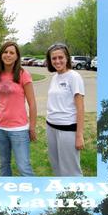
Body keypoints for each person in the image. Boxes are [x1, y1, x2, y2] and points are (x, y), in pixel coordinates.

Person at [0, 41, 37, 176]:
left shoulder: (23, 75)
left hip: (19, 130)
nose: (8, 55)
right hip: (0, 128)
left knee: (24, 167)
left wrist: (32, 127)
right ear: (1, 55)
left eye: (12, 53)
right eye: (5, 52)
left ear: (17, 56)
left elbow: (32, 103)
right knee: (3, 165)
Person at [45, 43, 85, 176]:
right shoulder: (54, 77)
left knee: (71, 172)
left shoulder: (74, 77)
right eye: (53, 58)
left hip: (67, 130)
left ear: (67, 58)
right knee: (56, 167)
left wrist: (79, 136)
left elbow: (80, 108)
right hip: (51, 127)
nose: (57, 61)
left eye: (60, 57)